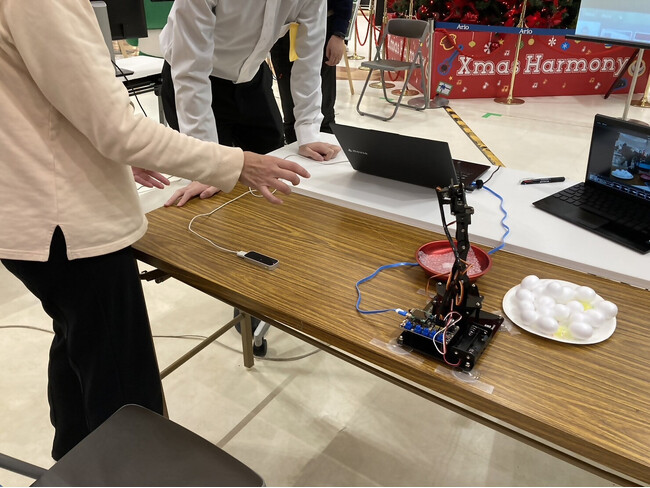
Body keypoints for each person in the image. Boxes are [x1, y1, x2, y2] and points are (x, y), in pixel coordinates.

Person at [0, 0, 309, 461]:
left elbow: (34, 100)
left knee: (79, 344)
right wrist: (234, 162)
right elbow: (117, 128)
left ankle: (73, 463)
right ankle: (122, 471)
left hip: (32, 211)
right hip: (67, 224)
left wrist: (113, 150)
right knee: (123, 389)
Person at [159, 0, 342, 208]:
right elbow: (191, 72)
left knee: (273, 167)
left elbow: (309, 60)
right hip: (195, 80)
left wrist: (308, 132)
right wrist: (208, 166)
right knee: (210, 190)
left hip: (251, 76)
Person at [271, 0, 354, 144]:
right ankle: (293, 147)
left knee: (324, 108)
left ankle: (326, 149)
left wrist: (339, 34)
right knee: (289, 108)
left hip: (322, 26)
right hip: (282, 31)